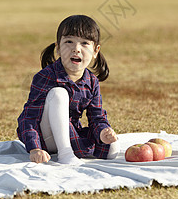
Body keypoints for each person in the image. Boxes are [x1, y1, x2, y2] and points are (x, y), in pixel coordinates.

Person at [17, 15, 120, 165]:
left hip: (70, 132)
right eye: (69, 42)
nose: (76, 49)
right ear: (58, 48)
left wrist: (103, 131)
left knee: (113, 149)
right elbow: (29, 117)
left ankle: (71, 148)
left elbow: (96, 116)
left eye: (84, 43)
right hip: (46, 137)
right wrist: (34, 149)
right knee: (58, 94)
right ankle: (65, 154)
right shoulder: (46, 76)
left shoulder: (92, 81)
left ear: (96, 51)